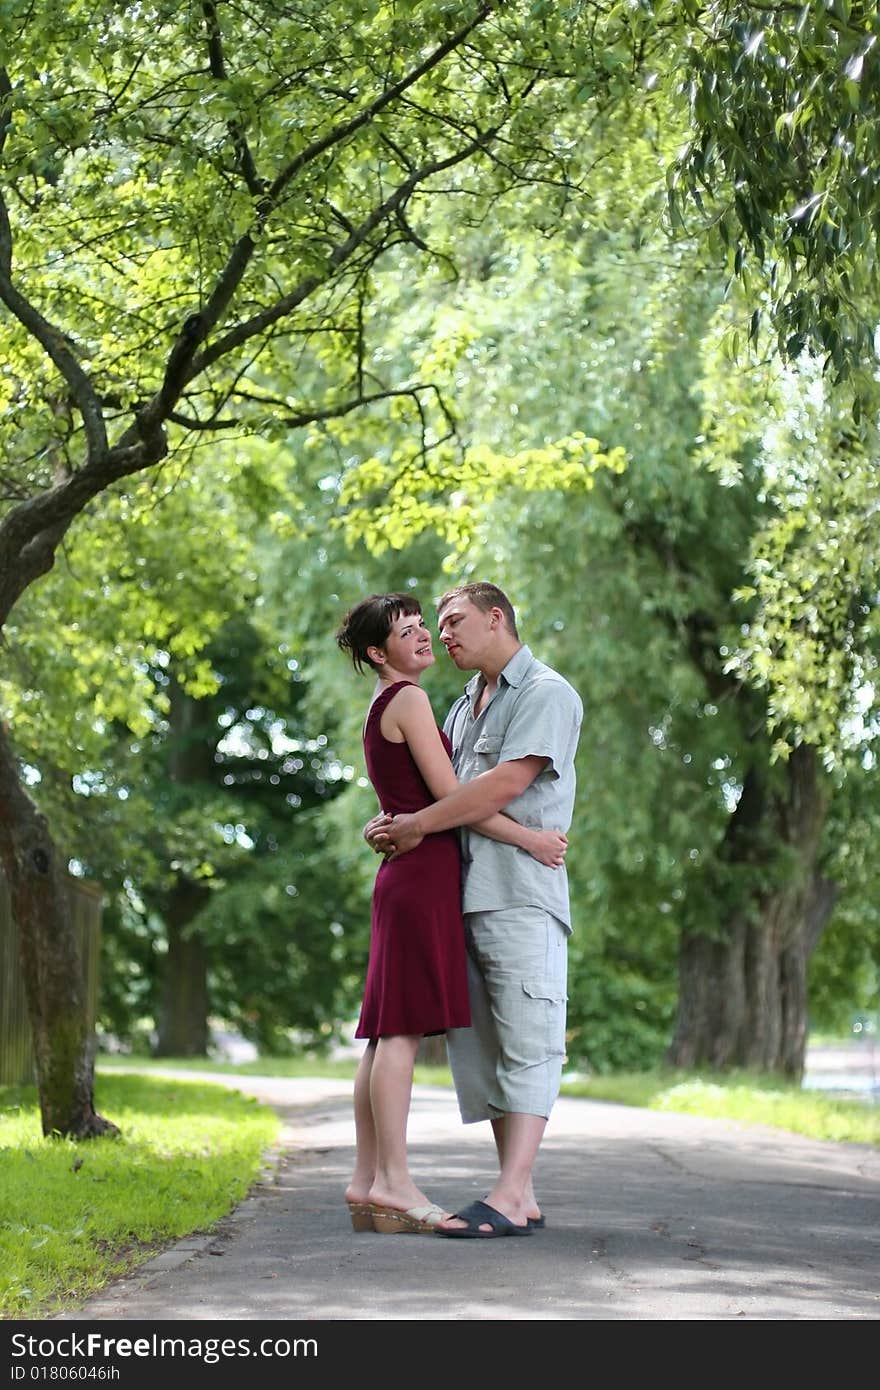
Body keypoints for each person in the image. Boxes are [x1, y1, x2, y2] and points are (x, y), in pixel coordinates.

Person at [336, 591, 569, 1236]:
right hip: (425, 876)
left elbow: (425, 798)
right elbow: (452, 795)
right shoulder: (413, 700)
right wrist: (528, 838)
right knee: (402, 1031)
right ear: (378, 653)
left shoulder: (406, 702)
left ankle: (369, 1180)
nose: (429, 638)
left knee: (387, 1032)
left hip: (424, 876)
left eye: (432, 627)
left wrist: (402, 821)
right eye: (411, 631)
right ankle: (393, 1182)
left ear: (496, 619)